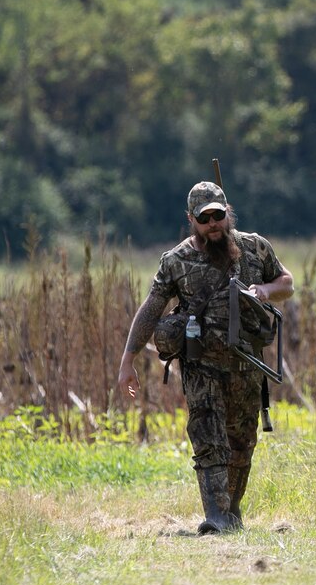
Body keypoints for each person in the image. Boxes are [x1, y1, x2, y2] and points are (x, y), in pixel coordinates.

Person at [117, 181, 294, 534]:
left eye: (217, 215)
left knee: (242, 439)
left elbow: (287, 283)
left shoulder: (255, 248)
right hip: (201, 366)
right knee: (207, 434)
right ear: (191, 220)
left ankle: (231, 511)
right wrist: (128, 360)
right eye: (204, 218)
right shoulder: (176, 261)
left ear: (228, 212)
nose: (213, 223)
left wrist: (265, 290)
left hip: (247, 363)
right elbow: (152, 309)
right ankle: (215, 515)